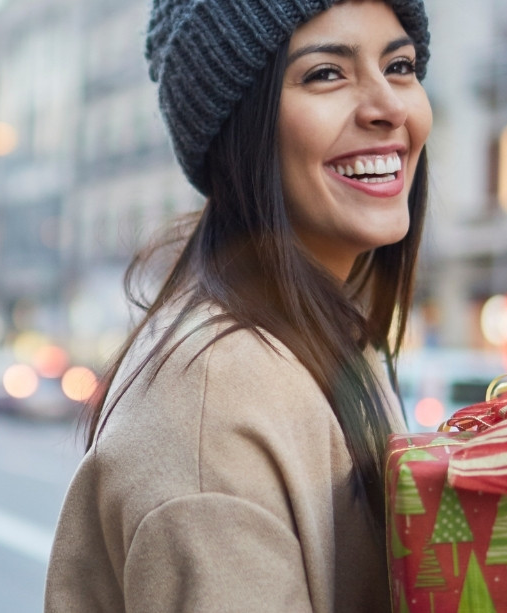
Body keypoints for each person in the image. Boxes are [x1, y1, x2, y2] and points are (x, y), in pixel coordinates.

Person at [44, 0, 432, 610]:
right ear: (237, 124)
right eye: (325, 73)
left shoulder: (327, 342)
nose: (389, 107)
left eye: (401, 65)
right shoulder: (213, 405)